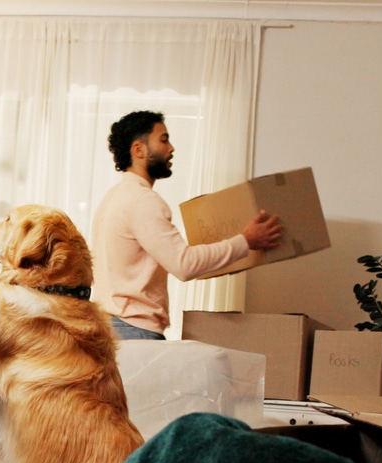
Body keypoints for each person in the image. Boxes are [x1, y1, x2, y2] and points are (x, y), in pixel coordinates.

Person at [91, 110, 284, 340]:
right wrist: (246, 241)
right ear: (139, 150)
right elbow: (184, 264)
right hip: (134, 329)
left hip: (112, 327)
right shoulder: (142, 200)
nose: (171, 148)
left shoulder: (112, 198)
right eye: (163, 140)